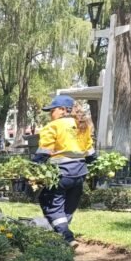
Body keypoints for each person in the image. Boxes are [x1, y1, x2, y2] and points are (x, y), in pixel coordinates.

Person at [32, 94, 95, 248]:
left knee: (49, 202)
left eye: (51, 111)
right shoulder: (82, 125)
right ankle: (60, 237)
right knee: (68, 207)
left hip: (61, 174)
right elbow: (90, 153)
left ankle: (67, 237)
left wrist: (31, 169)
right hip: (80, 174)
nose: (50, 114)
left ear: (61, 110)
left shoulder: (53, 126)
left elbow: (44, 152)